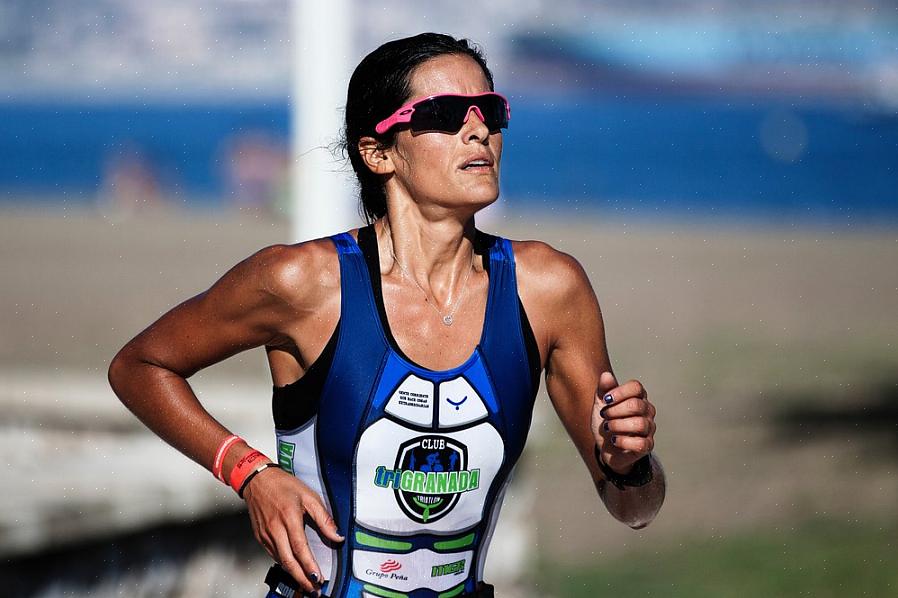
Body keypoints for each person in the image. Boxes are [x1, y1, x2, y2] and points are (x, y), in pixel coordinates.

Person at [108, 32, 665, 598]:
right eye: (445, 114)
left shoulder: (547, 289)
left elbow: (636, 509)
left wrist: (631, 465)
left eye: (491, 111)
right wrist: (249, 472)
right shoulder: (304, 283)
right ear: (378, 153)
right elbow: (139, 366)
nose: (479, 130)